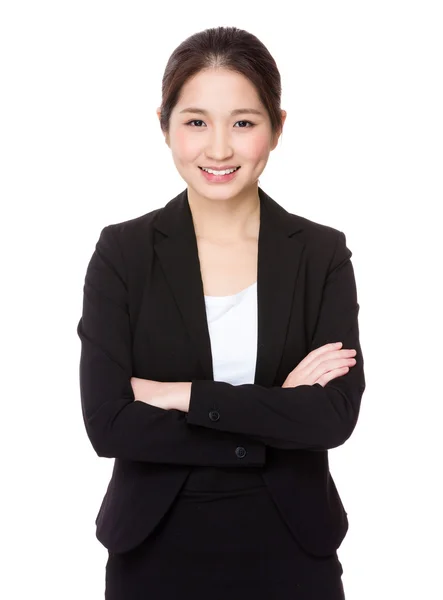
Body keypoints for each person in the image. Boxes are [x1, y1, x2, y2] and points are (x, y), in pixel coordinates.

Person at [77, 25, 365, 600]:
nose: (218, 149)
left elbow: (332, 418)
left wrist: (182, 393)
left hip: (292, 548)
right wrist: (277, 411)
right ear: (164, 125)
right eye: (195, 122)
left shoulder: (320, 253)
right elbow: (108, 425)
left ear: (277, 127)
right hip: (153, 549)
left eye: (243, 122)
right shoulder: (123, 253)